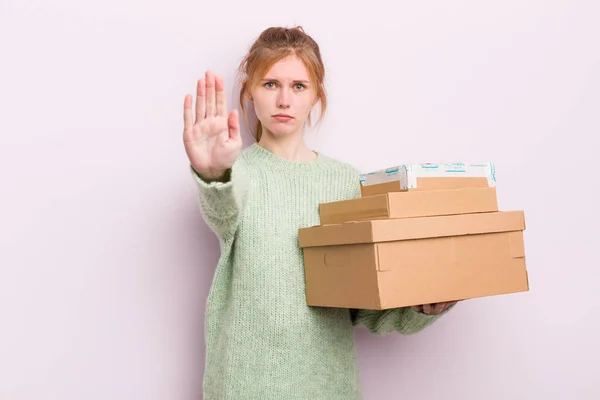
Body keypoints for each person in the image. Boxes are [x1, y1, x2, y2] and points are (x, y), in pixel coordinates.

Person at [182, 25, 457, 400]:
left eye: (298, 86)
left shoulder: (347, 183)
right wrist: (214, 173)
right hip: (245, 385)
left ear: (315, 96)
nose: (284, 100)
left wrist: (423, 307)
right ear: (249, 91)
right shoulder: (238, 174)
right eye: (270, 84)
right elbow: (222, 209)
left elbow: (365, 307)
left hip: (328, 388)